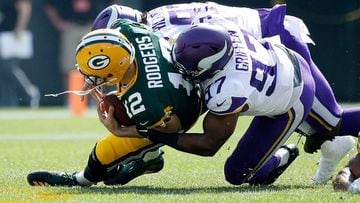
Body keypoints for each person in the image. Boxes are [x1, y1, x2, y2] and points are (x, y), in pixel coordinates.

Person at [91, 2, 357, 184]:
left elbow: (199, 132)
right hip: (259, 43)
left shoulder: (166, 41)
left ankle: (321, 136)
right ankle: (323, 139)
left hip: (275, 42)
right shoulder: (159, 22)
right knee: (323, 122)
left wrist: (143, 126)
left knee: (333, 121)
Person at [27, 19, 202, 186]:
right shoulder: (129, 32)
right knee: (124, 109)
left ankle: (81, 179)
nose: (90, 78)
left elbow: (172, 127)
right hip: (177, 80)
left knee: (104, 150)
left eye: (95, 74)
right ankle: (150, 159)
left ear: (115, 70)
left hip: (182, 109)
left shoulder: (145, 102)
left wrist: (123, 131)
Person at [43, 0, 114, 106]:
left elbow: (113, 5)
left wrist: (104, 24)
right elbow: (49, 5)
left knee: (96, 65)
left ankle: (96, 100)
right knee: (69, 66)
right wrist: (58, 22)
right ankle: (71, 100)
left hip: (92, 27)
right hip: (71, 26)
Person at [0, 0, 40, 107]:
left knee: (8, 67)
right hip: (2, 34)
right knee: (3, 71)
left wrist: (19, 30)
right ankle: (8, 102)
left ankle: (29, 92)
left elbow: (25, 9)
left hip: (12, 36)